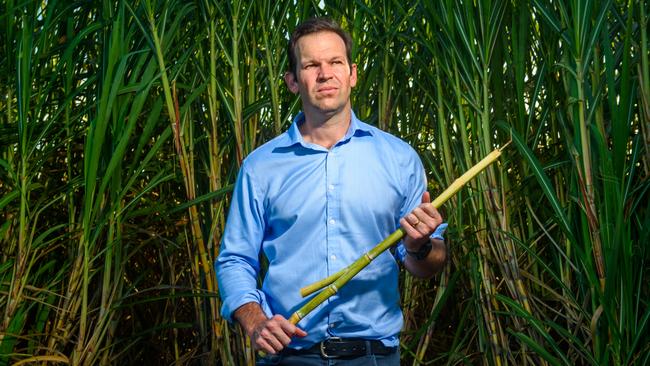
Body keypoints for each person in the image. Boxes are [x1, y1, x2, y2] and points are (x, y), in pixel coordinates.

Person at [216, 17, 447, 365]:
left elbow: (429, 264)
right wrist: (255, 321)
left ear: (352, 74)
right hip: (290, 357)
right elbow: (235, 259)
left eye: (335, 62)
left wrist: (419, 245)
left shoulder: (399, 158)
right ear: (293, 81)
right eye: (311, 65)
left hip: (374, 357)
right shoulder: (261, 166)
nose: (325, 74)